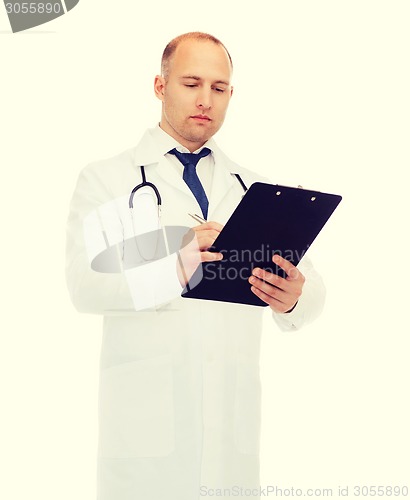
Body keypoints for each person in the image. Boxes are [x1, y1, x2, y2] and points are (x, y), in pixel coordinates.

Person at [66, 32, 326, 500]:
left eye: (219, 88)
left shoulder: (251, 188)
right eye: (191, 83)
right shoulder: (108, 178)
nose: (206, 99)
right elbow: (85, 286)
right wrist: (175, 269)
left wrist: (296, 297)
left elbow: (312, 285)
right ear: (160, 86)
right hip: (145, 448)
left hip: (232, 450)